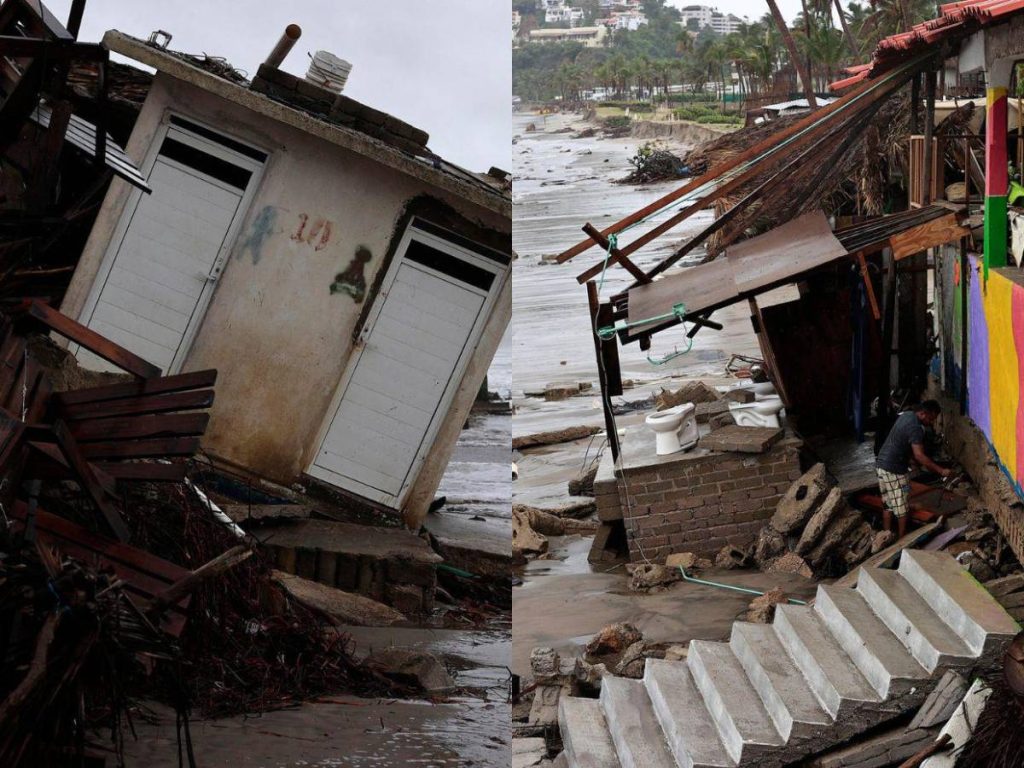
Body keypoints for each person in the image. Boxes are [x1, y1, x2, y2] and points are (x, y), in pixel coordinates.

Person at [875, 400, 951, 538]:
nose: (931, 422)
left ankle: (885, 535)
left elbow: (902, 441)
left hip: (881, 464)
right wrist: (941, 471)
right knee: (902, 507)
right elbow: (919, 455)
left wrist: (911, 461)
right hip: (894, 469)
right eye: (931, 418)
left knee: (888, 504)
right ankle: (902, 538)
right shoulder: (916, 428)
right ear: (923, 413)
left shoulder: (907, 415)